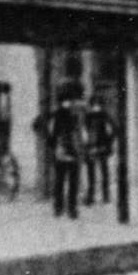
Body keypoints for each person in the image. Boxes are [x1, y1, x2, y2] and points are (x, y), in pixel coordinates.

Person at [46, 86, 84, 219]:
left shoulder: (73, 116)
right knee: (61, 182)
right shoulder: (57, 117)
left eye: (69, 101)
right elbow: (51, 135)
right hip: (63, 151)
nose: (68, 103)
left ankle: (68, 208)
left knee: (68, 182)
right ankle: (61, 208)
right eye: (66, 101)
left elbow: (78, 133)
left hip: (69, 151)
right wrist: (55, 146)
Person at [83, 92, 117, 206]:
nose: (95, 107)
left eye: (97, 104)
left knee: (103, 172)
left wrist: (108, 141)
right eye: (94, 104)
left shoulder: (104, 115)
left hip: (101, 146)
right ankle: (92, 196)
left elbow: (114, 129)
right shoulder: (88, 116)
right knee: (92, 173)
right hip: (92, 147)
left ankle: (105, 196)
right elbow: (85, 132)